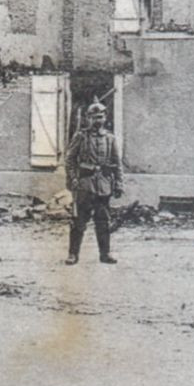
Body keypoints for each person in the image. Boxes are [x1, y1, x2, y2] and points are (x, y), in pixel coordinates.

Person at [64, 100, 123, 265]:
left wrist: (119, 184)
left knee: (103, 221)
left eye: (101, 117)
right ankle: (73, 254)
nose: (98, 121)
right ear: (88, 119)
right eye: (94, 117)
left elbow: (117, 163)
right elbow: (69, 160)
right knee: (78, 222)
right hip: (85, 184)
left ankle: (105, 254)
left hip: (104, 185)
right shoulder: (80, 136)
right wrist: (73, 179)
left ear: (105, 118)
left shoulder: (110, 138)